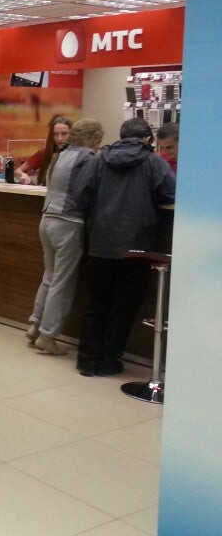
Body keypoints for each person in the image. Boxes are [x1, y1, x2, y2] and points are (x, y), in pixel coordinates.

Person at [72, 117, 176, 376]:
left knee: (97, 303)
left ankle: (87, 360)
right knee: (124, 306)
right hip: (137, 245)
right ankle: (109, 361)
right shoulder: (154, 162)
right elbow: (170, 194)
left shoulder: (98, 160)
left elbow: (79, 195)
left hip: (101, 242)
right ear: (147, 138)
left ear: (120, 135)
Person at [26, 119, 105, 355]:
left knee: (49, 276)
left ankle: (35, 324)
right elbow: (91, 191)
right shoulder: (88, 158)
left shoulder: (59, 156)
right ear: (93, 139)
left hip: (47, 219)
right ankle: (48, 335)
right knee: (63, 281)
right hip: (69, 222)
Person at [15, 115, 72, 185]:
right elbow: (18, 171)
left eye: (64, 134)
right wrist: (23, 175)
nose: (59, 138)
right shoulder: (43, 153)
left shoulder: (77, 155)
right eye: (55, 134)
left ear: (71, 134)